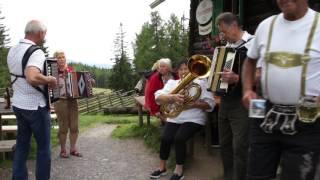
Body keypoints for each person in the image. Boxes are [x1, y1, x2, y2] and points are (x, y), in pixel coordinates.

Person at [242, 0, 320, 179]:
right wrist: (247, 89)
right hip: (264, 114)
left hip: (307, 118)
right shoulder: (265, 26)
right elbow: (250, 60)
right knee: (256, 175)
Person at [7, 20, 57, 180]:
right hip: (35, 107)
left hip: (19, 105)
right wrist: (49, 79)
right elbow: (31, 76)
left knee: (22, 145)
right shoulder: (36, 52)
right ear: (40, 33)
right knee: (44, 149)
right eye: (45, 33)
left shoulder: (13, 50)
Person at [149, 59, 214, 180]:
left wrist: (194, 104)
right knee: (165, 138)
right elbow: (158, 97)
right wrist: (171, 97)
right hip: (175, 118)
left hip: (194, 118)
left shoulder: (201, 83)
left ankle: (179, 170)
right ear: (177, 71)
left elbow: (210, 104)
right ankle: (162, 167)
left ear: (191, 71)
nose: (183, 71)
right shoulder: (172, 83)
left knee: (179, 138)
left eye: (186, 69)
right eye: (181, 69)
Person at [215, 12, 254, 180]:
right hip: (225, 102)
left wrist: (237, 78)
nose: (222, 36)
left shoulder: (253, 43)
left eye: (223, 31)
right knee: (224, 144)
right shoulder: (226, 49)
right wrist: (215, 89)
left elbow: (263, 75)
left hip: (242, 104)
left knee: (240, 146)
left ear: (234, 26)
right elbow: (219, 76)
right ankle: (228, 176)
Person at [53, 50, 82, 158]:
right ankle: (63, 150)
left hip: (73, 101)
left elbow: (78, 84)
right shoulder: (53, 72)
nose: (61, 59)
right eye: (59, 57)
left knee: (74, 126)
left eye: (63, 57)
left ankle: (73, 149)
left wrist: (88, 82)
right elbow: (49, 88)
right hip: (60, 101)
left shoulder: (70, 70)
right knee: (63, 127)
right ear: (55, 60)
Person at [144, 58, 178, 122]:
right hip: (160, 104)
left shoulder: (175, 76)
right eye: (160, 66)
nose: (161, 68)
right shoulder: (155, 78)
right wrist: (155, 111)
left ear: (168, 67)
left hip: (174, 101)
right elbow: (151, 95)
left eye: (163, 66)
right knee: (166, 121)